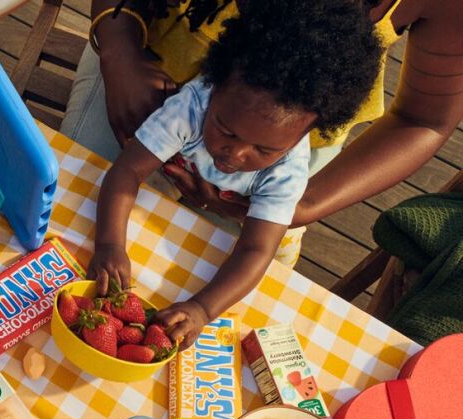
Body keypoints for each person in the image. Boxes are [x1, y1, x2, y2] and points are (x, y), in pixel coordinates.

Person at [90, 0, 383, 346]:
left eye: (264, 150)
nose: (236, 154)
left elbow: (256, 251)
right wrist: (110, 244)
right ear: (213, 87)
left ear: (305, 136)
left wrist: (202, 308)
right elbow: (127, 172)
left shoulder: (288, 170)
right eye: (227, 131)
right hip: (179, 173)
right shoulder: (191, 105)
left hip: (257, 227)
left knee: (260, 298)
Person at [66, 0, 463, 249]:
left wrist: (304, 204)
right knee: (67, 220)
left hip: (281, 152)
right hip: (138, 75)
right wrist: (119, 53)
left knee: (213, 294)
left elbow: (422, 120)